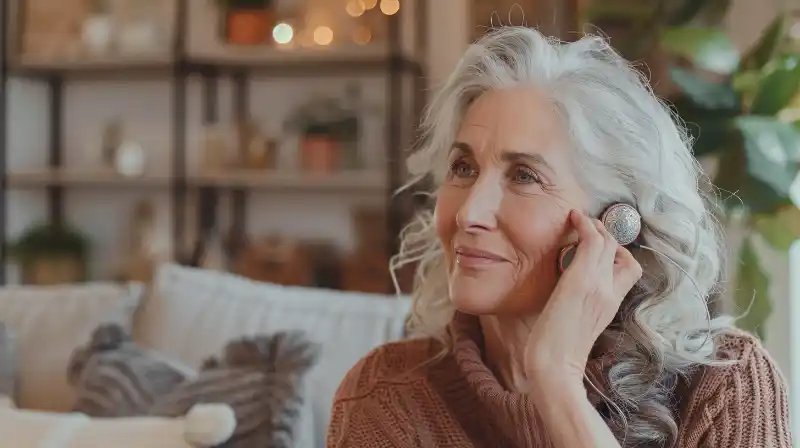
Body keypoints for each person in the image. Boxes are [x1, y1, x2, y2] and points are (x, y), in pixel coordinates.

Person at [326, 26, 791, 447]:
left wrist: (558, 386)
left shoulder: (725, 384)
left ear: (615, 222)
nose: (470, 212)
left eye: (524, 176)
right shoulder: (386, 397)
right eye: (463, 168)